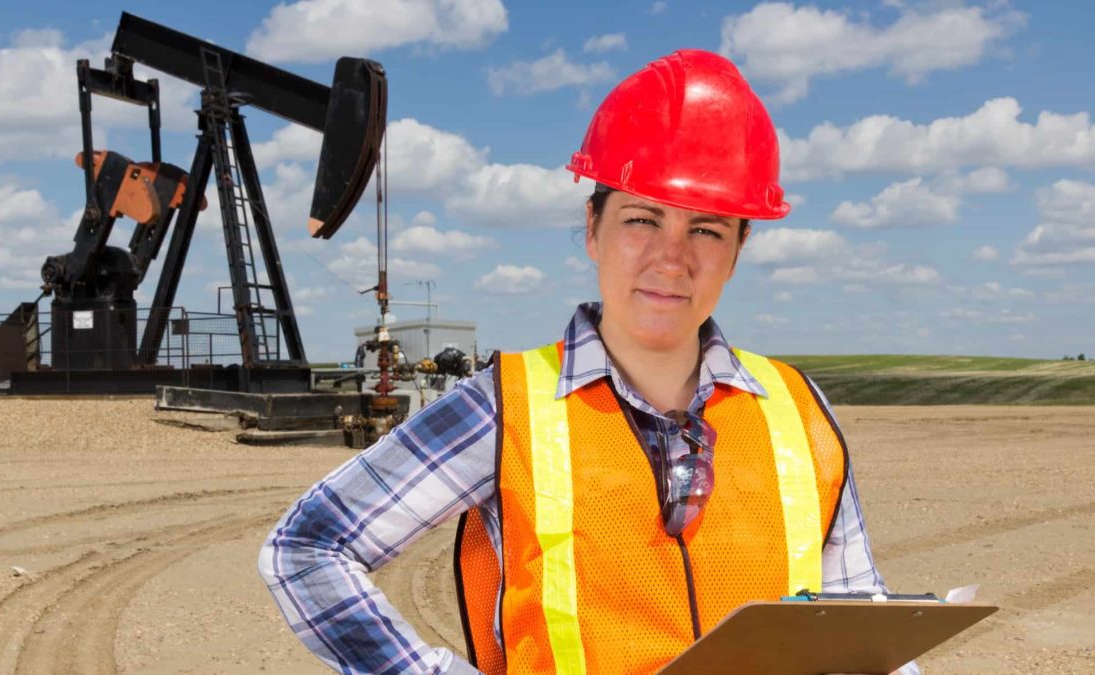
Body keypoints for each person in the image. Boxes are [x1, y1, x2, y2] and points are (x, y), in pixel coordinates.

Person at [259, 50, 917, 675]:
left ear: (740, 245)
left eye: (707, 228)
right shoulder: (507, 406)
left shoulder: (799, 411)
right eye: (642, 219)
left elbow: (857, 614)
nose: (671, 257)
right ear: (593, 227)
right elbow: (307, 547)